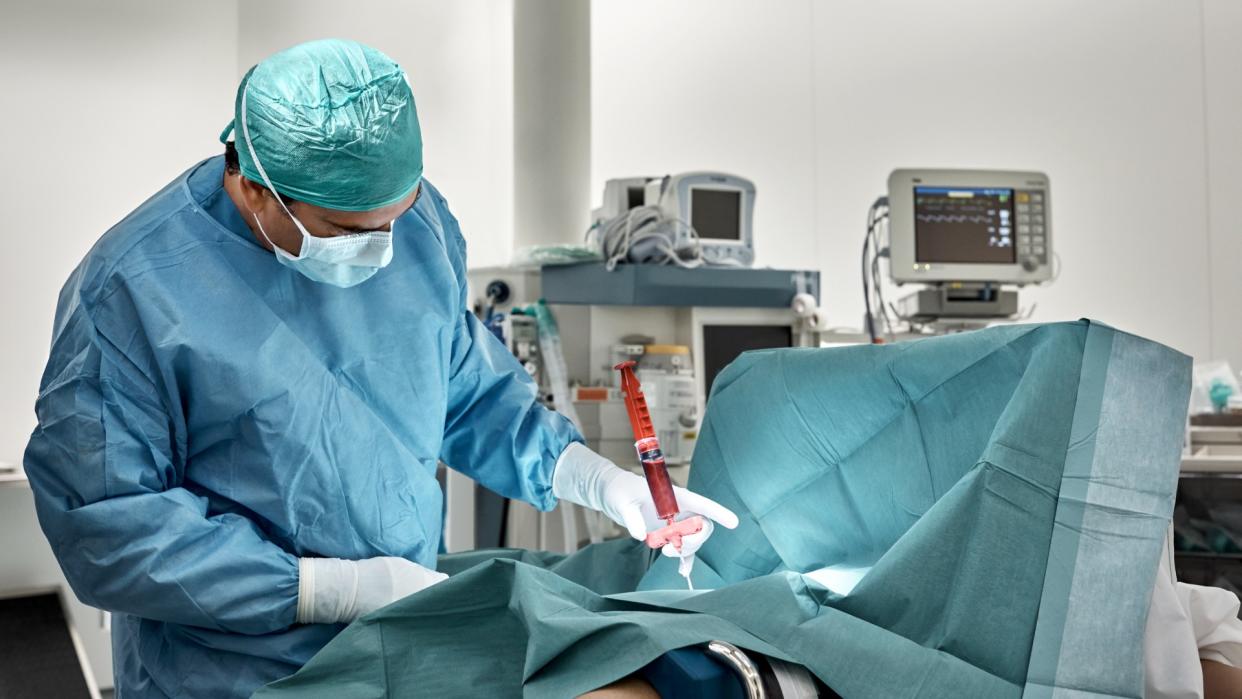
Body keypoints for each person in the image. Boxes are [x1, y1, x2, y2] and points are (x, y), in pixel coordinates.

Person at [23, 38, 737, 699]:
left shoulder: (417, 231)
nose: (382, 252)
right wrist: (327, 588)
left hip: (403, 637)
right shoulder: (129, 292)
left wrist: (596, 480)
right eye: (346, 232)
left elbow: (466, 390)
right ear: (254, 188)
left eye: (396, 216)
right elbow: (111, 526)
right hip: (230, 666)